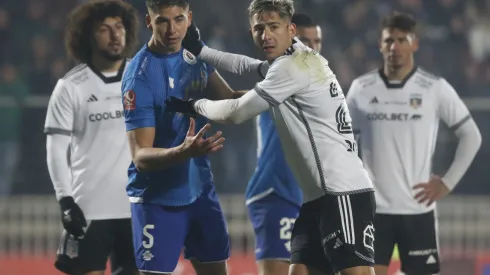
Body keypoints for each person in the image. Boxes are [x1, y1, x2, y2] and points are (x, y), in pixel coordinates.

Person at [166, 0, 377, 274]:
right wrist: (202, 51)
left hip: (342, 193)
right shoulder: (298, 59)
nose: (266, 35)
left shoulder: (291, 68)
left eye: (273, 27)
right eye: (259, 28)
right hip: (317, 199)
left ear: (291, 30)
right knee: (298, 270)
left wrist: (195, 105)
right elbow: (246, 66)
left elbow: (237, 112)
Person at [345, 12, 482, 275]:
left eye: (401, 40)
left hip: (417, 210)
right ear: (380, 44)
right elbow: (341, 142)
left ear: (414, 43)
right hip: (373, 212)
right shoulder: (361, 88)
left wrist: (448, 182)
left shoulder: (434, 88)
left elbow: (471, 136)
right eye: (388, 41)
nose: (394, 47)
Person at [121, 0, 245, 274]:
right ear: (148, 22)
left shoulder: (195, 54)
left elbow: (230, 101)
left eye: (178, 19)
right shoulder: (139, 77)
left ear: (189, 18)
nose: (171, 29)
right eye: (162, 21)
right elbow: (141, 156)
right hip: (157, 199)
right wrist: (183, 151)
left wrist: (278, 93)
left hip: (200, 190)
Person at [44, 1, 140, 275]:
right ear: (87, 35)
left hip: (137, 210)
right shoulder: (70, 87)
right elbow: (56, 147)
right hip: (89, 211)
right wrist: (65, 201)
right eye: (104, 29)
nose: (114, 35)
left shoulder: (143, 77)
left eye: (119, 27)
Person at [245, 13, 323, 275]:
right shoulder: (278, 76)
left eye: (317, 41)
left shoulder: (323, 86)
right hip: (277, 193)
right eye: (304, 40)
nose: (311, 47)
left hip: (310, 199)